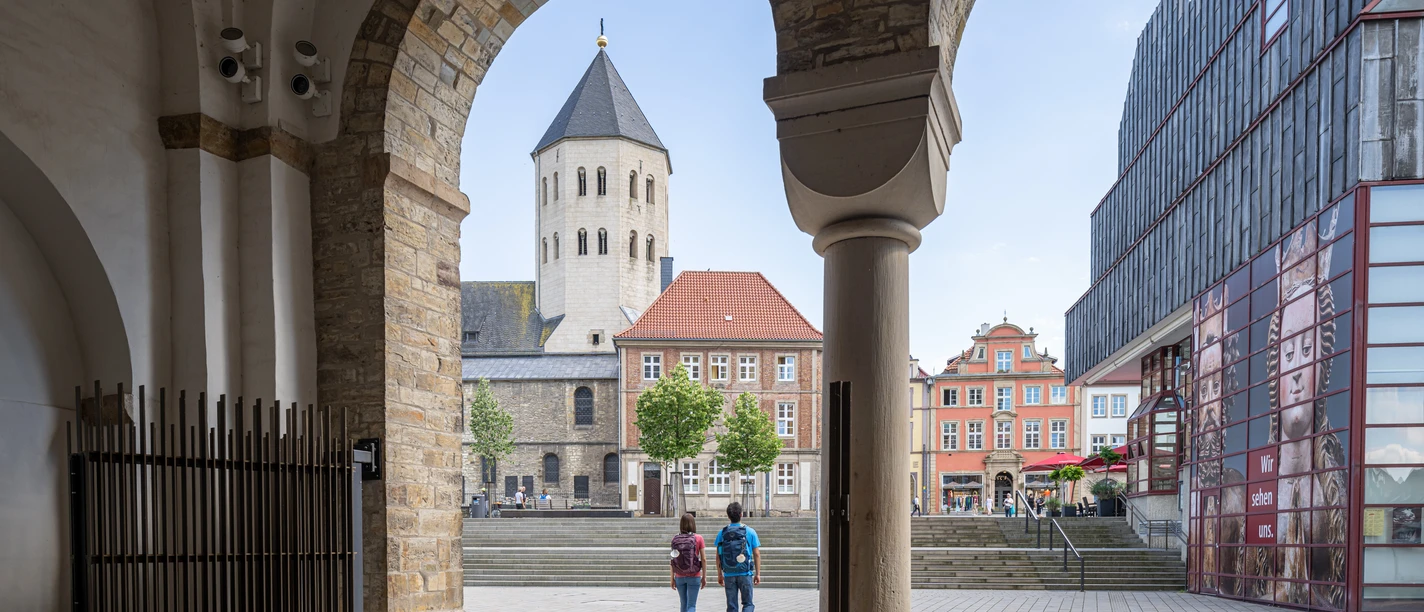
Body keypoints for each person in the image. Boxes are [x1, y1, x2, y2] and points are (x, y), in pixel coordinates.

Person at [715, 502, 760, 612]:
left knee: (732, 606)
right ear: (741, 514)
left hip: (729, 573)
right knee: (748, 604)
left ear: (728, 516)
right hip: (745, 573)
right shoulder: (750, 531)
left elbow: (718, 556)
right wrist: (758, 574)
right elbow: (757, 554)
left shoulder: (722, 533)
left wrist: (720, 574)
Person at [670, 513, 706, 612]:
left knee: (683, 604)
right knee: (691, 605)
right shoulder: (698, 538)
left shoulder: (675, 539)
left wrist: (672, 578)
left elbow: (672, 559)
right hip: (694, 575)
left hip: (679, 575)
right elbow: (703, 559)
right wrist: (704, 577)